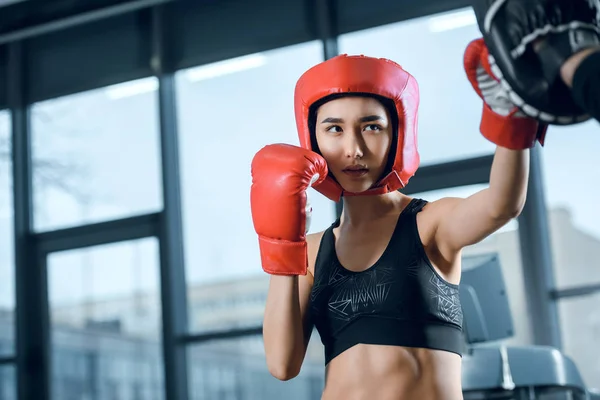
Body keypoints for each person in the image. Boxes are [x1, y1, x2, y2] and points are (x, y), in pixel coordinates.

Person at [250, 39, 545, 399]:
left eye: (371, 127)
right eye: (334, 129)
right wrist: (282, 244)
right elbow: (282, 365)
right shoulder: (311, 251)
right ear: (313, 140)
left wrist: (510, 118)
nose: (354, 149)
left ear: (397, 135)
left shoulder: (429, 224)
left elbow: (502, 205)